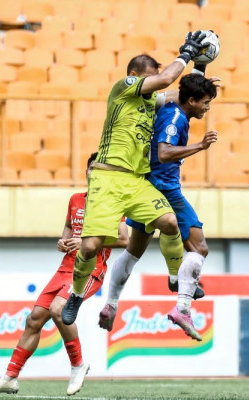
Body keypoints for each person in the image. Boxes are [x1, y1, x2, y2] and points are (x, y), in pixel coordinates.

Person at [61, 31, 211, 326]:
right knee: (90, 247)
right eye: (150, 77)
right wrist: (187, 52)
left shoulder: (149, 102)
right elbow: (167, 81)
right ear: (135, 75)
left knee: (169, 223)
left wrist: (200, 72)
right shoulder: (123, 88)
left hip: (137, 181)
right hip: (107, 179)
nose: (155, 83)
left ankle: (174, 278)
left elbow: (179, 96)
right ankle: (76, 294)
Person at [0, 153, 128, 396]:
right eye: (91, 169)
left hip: (90, 268)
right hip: (65, 267)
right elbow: (70, 226)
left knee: (59, 309)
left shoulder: (112, 203)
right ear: (87, 172)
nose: (94, 173)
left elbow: (124, 239)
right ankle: (10, 377)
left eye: (99, 170)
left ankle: (79, 365)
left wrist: (86, 243)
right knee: (34, 319)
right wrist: (65, 239)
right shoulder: (76, 199)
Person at [97, 74, 218, 342]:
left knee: (134, 250)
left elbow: (183, 90)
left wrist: (202, 71)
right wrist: (200, 145)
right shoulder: (175, 118)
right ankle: (182, 307)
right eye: (206, 102)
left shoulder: (172, 109)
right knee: (199, 248)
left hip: (147, 186)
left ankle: (111, 304)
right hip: (165, 187)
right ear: (191, 101)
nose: (207, 108)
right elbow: (164, 152)